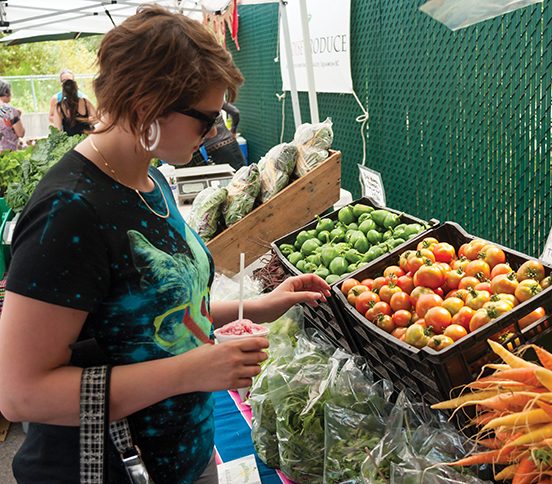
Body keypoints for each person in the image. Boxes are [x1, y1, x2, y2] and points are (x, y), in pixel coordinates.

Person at [0, 5, 330, 484]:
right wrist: (193, 371)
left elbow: (156, 318)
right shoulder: (68, 211)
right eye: (206, 119)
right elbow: (21, 393)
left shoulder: (149, 180)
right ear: (148, 107)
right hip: (112, 470)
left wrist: (258, 306)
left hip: (185, 457)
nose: (216, 132)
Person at [203, 100, 246, 169]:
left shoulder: (191, 103)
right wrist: (233, 129)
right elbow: (235, 112)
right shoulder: (213, 96)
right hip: (228, 144)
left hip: (213, 150)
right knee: (242, 175)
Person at [0, 80, 25, 151]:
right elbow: (20, 133)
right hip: (6, 155)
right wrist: (17, 116)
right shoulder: (10, 110)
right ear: (6, 93)